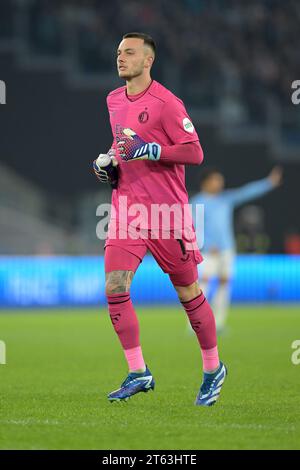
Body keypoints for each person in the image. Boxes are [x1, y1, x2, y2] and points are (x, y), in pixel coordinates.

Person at [93, 32, 227, 406]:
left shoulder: (168, 103)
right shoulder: (114, 99)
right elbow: (122, 144)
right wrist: (108, 162)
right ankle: (139, 372)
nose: (121, 58)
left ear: (148, 60)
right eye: (119, 51)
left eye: (130, 52)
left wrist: (152, 149)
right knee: (115, 285)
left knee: (188, 293)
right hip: (126, 211)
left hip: (167, 214)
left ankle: (213, 368)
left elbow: (194, 152)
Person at [190, 167, 283, 332]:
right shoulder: (197, 201)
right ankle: (196, 324)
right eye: (216, 179)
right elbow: (194, 226)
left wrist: (269, 183)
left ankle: (218, 323)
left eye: (220, 180)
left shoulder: (225, 199)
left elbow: (247, 192)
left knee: (224, 283)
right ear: (206, 182)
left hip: (227, 249)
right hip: (207, 251)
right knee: (202, 285)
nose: (220, 183)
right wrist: (204, 244)